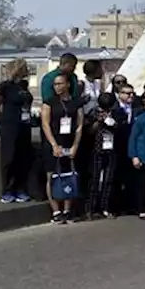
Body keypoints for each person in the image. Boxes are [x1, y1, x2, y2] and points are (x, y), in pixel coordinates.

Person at [41, 72, 84, 223]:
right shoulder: (49, 102)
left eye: (60, 84)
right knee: (52, 176)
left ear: (67, 85)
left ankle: (67, 209)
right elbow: (45, 124)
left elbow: (79, 125)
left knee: (68, 176)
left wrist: (75, 146)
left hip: (69, 141)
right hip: (53, 142)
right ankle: (55, 210)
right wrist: (53, 144)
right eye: (55, 84)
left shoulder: (76, 103)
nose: (57, 87)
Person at [0, 60, 35, 203]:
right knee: (9, 158)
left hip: (24, 125)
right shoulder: (5, 87)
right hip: (9, 126)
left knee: (23, 157)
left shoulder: (24, 86)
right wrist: (2, 121)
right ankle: (7, 190)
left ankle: (21, 189)